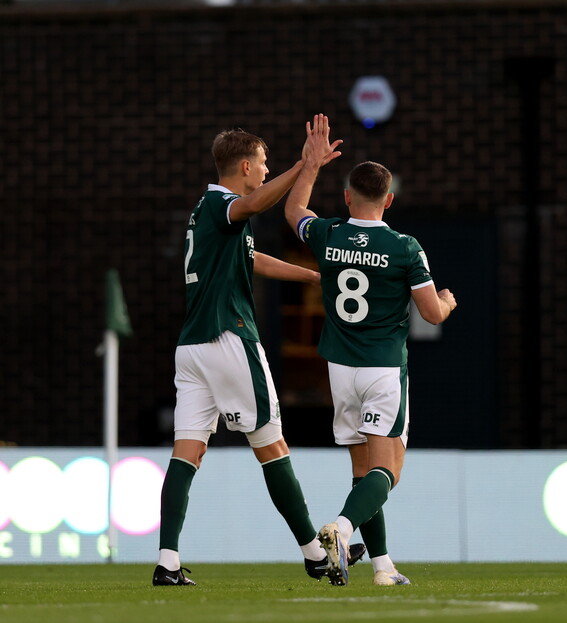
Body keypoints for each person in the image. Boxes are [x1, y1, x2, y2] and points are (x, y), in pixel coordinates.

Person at [153, 116, 365, 586]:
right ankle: (315, 553)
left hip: (192, 348)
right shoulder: (224, 205)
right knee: (272, 446)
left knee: (186, 453)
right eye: (264, 163)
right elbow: (254, 204)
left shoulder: (209, 211)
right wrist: (305, 165)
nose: (267, 170)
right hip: (228, 338)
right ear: (245, 166)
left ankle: (167, 561)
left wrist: (312, 277)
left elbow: (253, 260)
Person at [284, 120, 457, 587]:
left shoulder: (328, 234)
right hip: (382, 368)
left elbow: (294, 210)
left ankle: (382, 568)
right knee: (388, 471)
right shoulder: (404, 247)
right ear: (389, 200)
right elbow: (432, 315)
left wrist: (311, 164)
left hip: (340, 369)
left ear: (346, 197)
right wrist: (447, 301)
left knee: (362, 471)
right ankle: (341, 531)